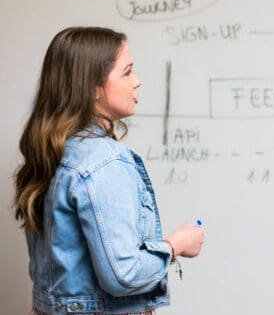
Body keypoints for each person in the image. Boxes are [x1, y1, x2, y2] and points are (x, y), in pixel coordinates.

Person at [13, 27, 204, 314]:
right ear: (91, 87)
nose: (137, 81)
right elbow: (122, 275)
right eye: (127, 72)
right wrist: (176, 245)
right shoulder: (104, 161)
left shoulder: (51, 151)